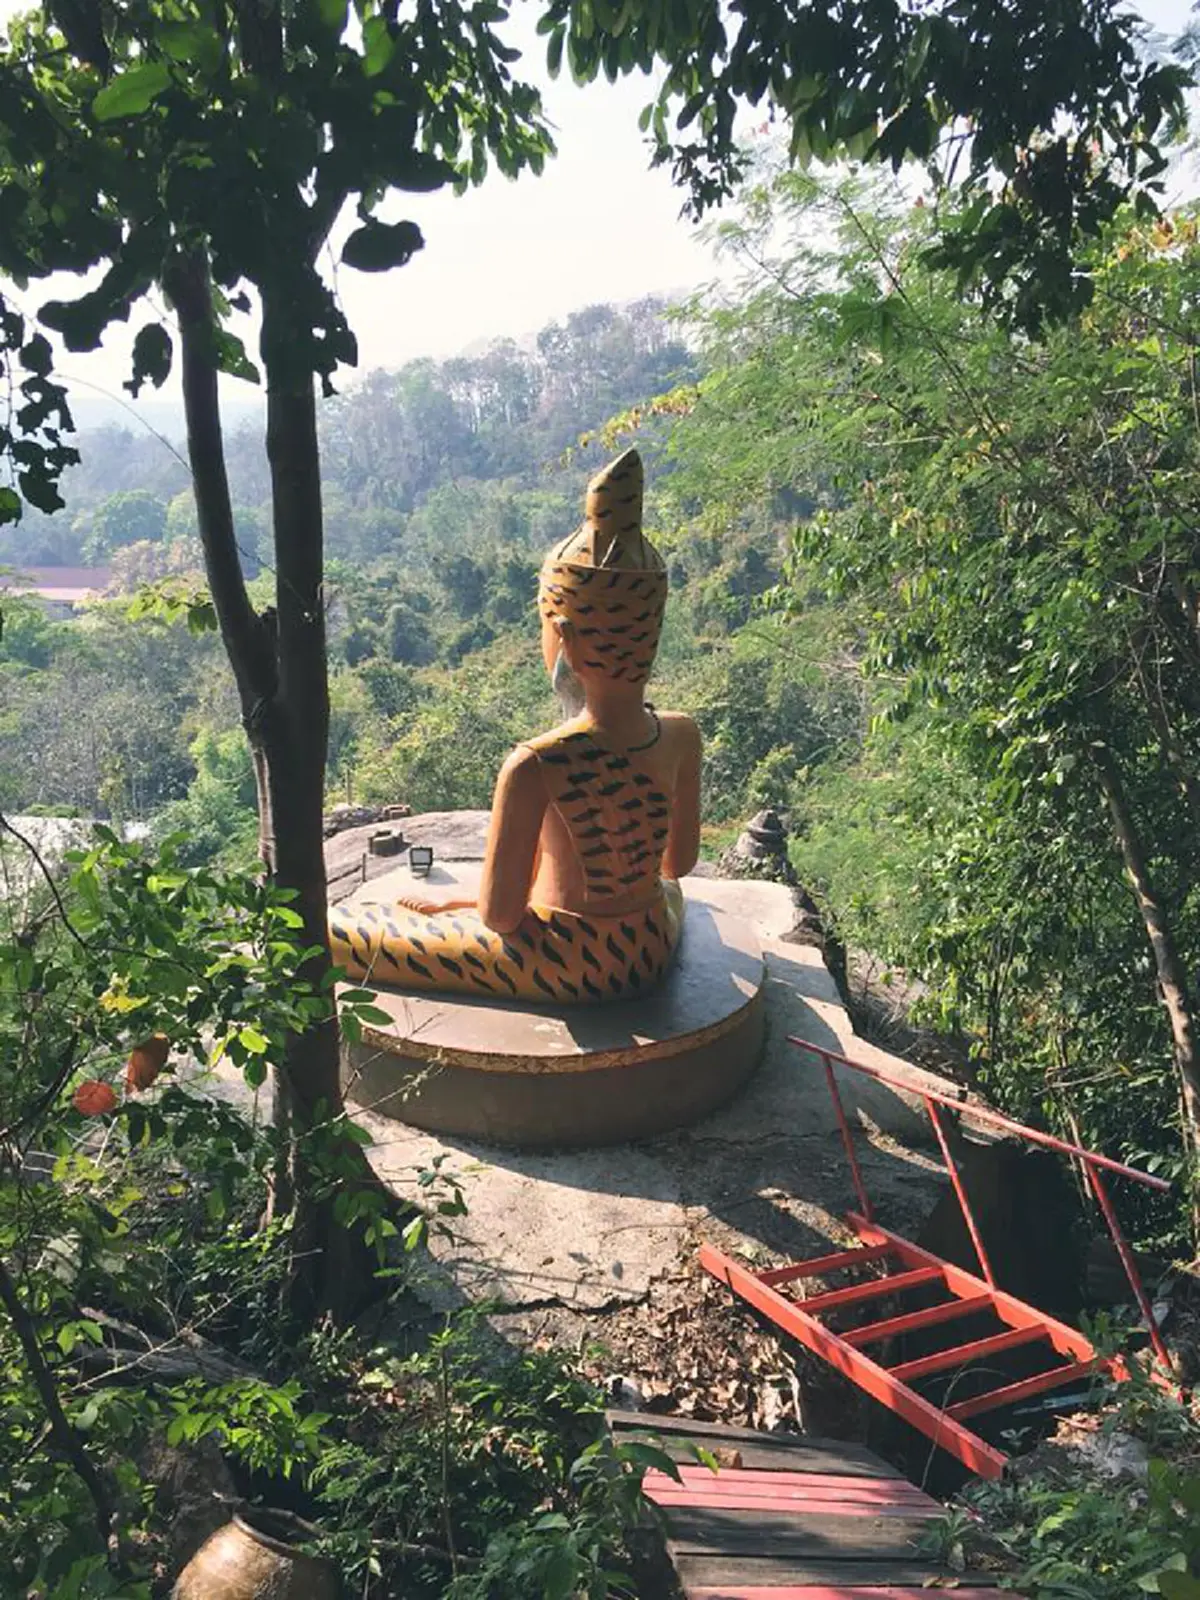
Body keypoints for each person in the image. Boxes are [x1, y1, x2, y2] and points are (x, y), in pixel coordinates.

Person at [329, 448, 701, 1003]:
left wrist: (465, 909)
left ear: (566, 639)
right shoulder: (680, 734)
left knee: (337, 937)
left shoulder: (537, 762)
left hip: (569, 963)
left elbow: (503, 918)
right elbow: (677, 865)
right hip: (652, 937)